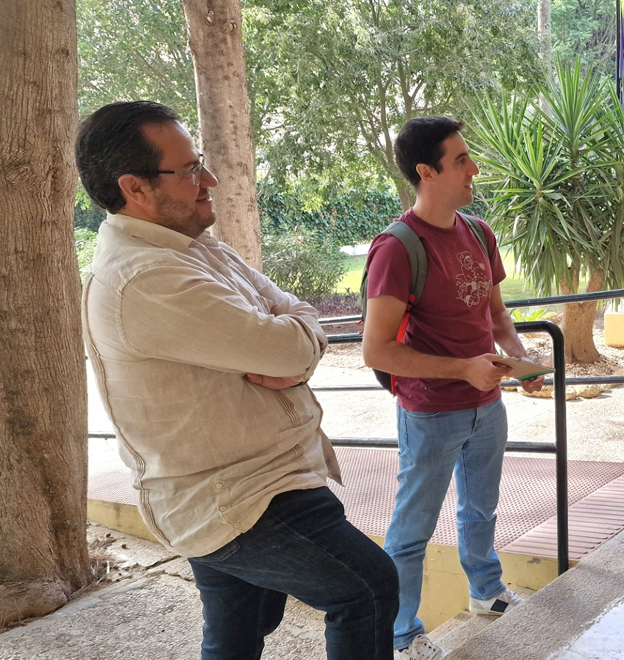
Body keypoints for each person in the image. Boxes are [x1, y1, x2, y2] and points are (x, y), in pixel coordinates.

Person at [77, 101, 398, 660]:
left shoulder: (189, 246)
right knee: (365, 586)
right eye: (188, 170)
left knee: (236, 636)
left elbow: (296, 320)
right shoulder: (148, 277)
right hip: (240, 497)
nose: (211, 180)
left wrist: (292, 345)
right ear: (135, 187)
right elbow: (291, 340)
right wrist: (292, 343)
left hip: (254, 484)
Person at [361, 116, 545, 660]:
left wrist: (518, 354)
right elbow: (377, 351)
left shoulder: (478, 232)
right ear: (426, 171)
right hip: (430, 413)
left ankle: (486, 591)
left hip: (487, 408)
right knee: (412, 530)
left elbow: (496, 314)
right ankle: (401, 635)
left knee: (481, 510)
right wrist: (464, 369)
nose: (474, 168)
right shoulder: (396, 248)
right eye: (461, 159)